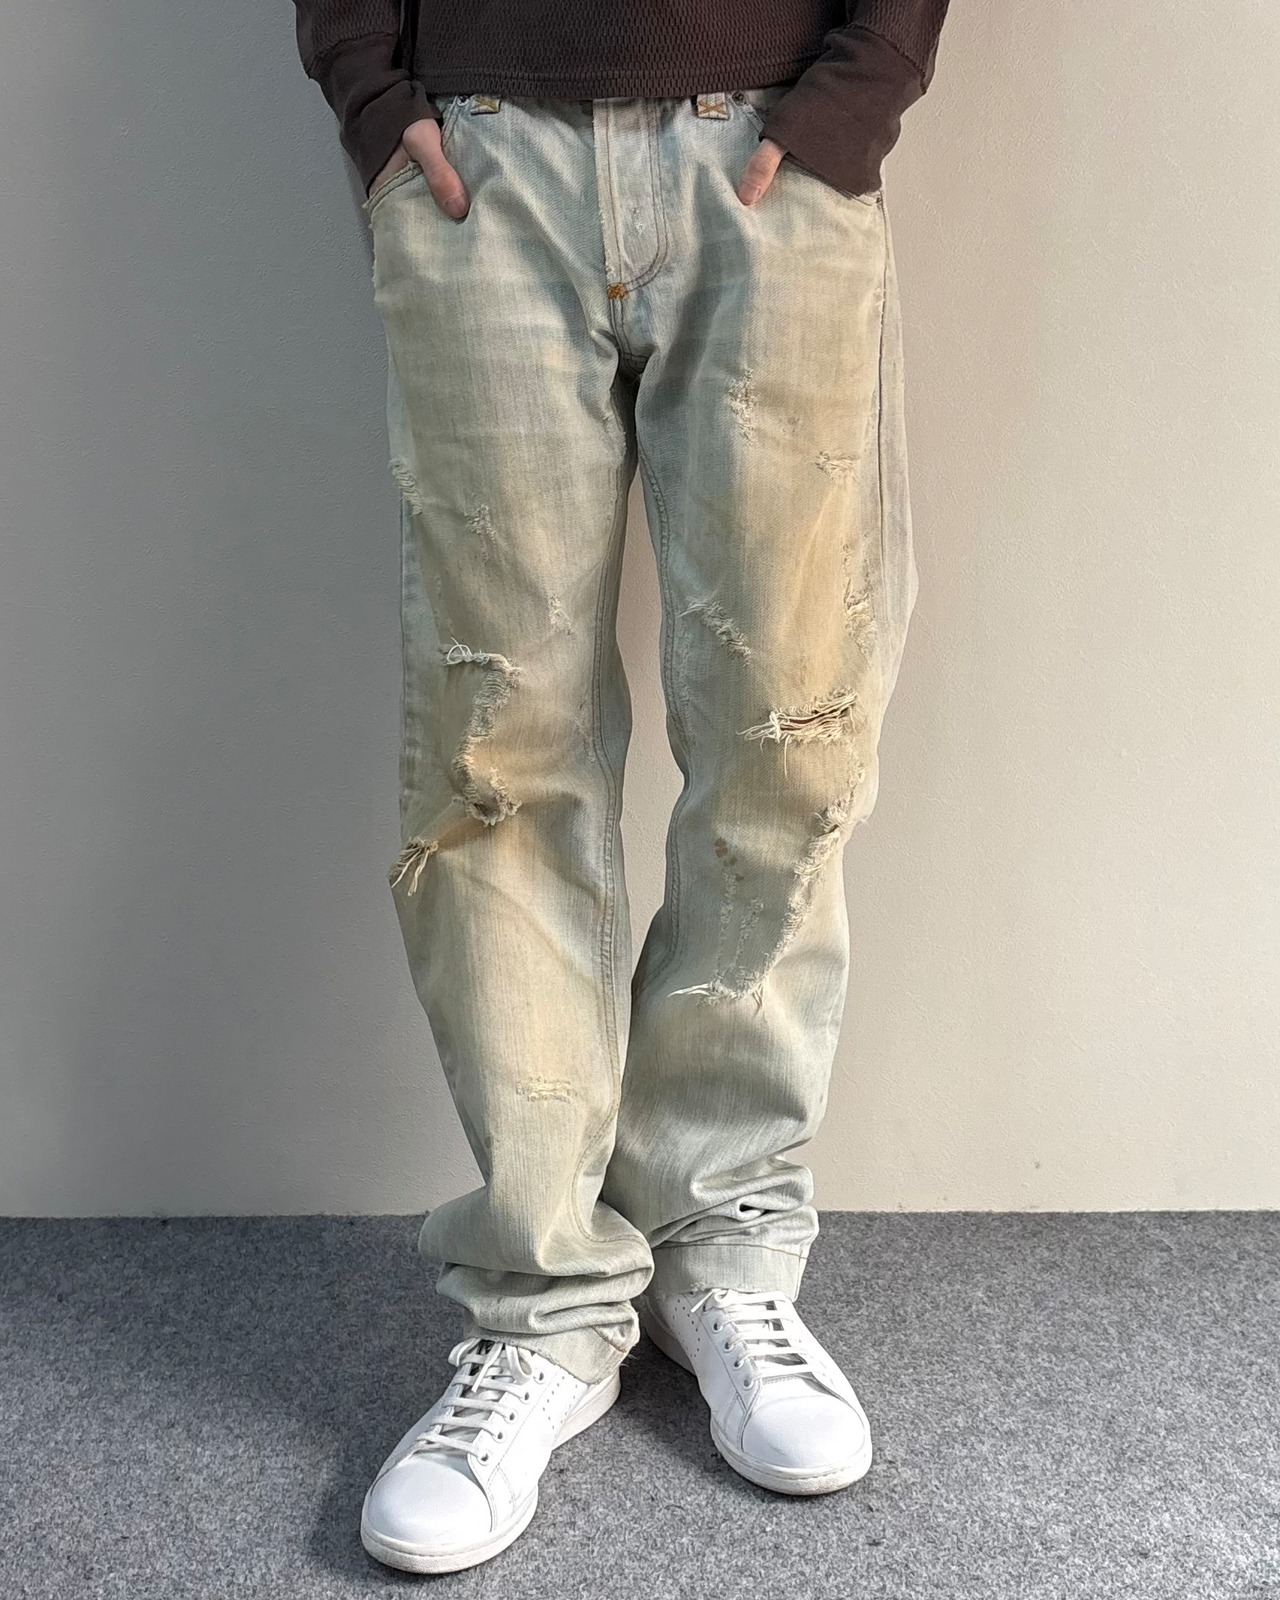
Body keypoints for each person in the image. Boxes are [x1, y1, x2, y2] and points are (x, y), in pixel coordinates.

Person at [292, 0, 949, 1575]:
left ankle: (720, 1245)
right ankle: (542, 1298)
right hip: (481, 157)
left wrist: (858, 94)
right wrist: (372, 95)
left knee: (788, 735)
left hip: (773, 148)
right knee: (494, 761)